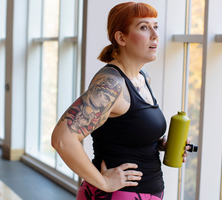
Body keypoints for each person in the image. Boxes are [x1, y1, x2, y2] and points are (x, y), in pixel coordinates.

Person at [51, 2, 191, 200]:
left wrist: (158, 144)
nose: (155, 35)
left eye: (155, 26)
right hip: (118, 195)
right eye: (144, 27)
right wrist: (104, 182)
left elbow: (124, 130)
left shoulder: (142, 77)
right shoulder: (111, 84)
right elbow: (62, 138)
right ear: (121, 37)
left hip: (145, 191)